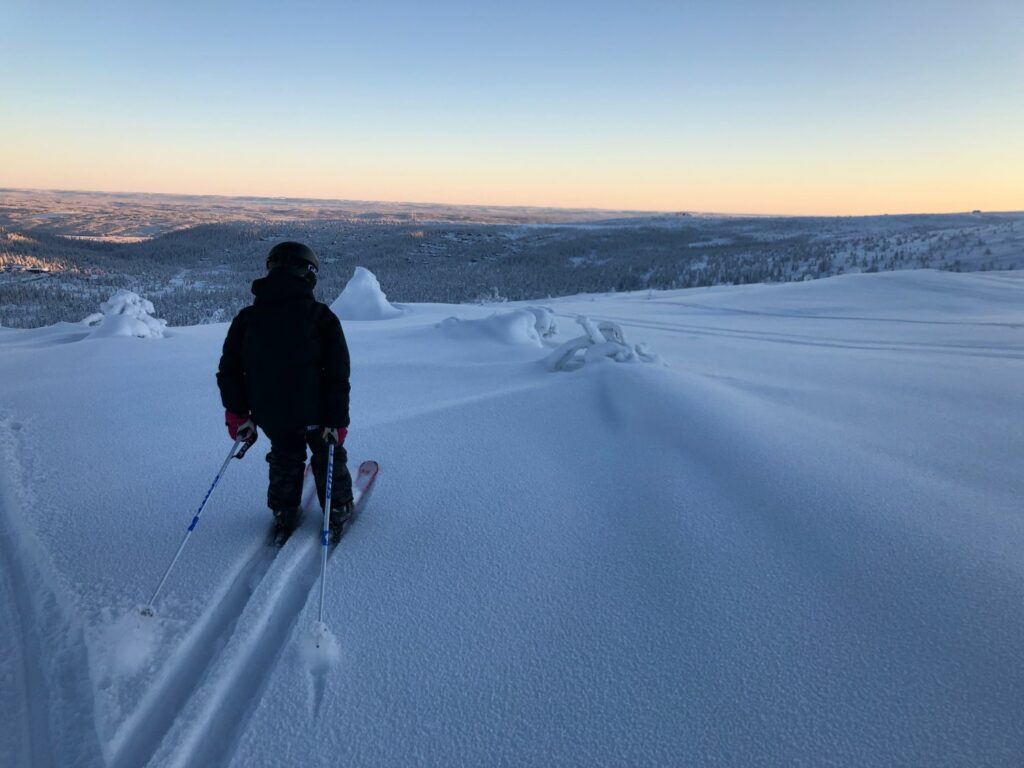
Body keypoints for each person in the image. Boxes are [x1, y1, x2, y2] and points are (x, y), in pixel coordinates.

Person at [216, 241, 354, 543]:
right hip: (316, 412)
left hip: (270, 414)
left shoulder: (246, 319)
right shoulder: (321, 317)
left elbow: (230, 372)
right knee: (327, 454)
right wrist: (337, 420)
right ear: (307, 274)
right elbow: (337, 374)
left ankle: (283, 510)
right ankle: (338, 506)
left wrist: (237, 414)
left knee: (285, 455)